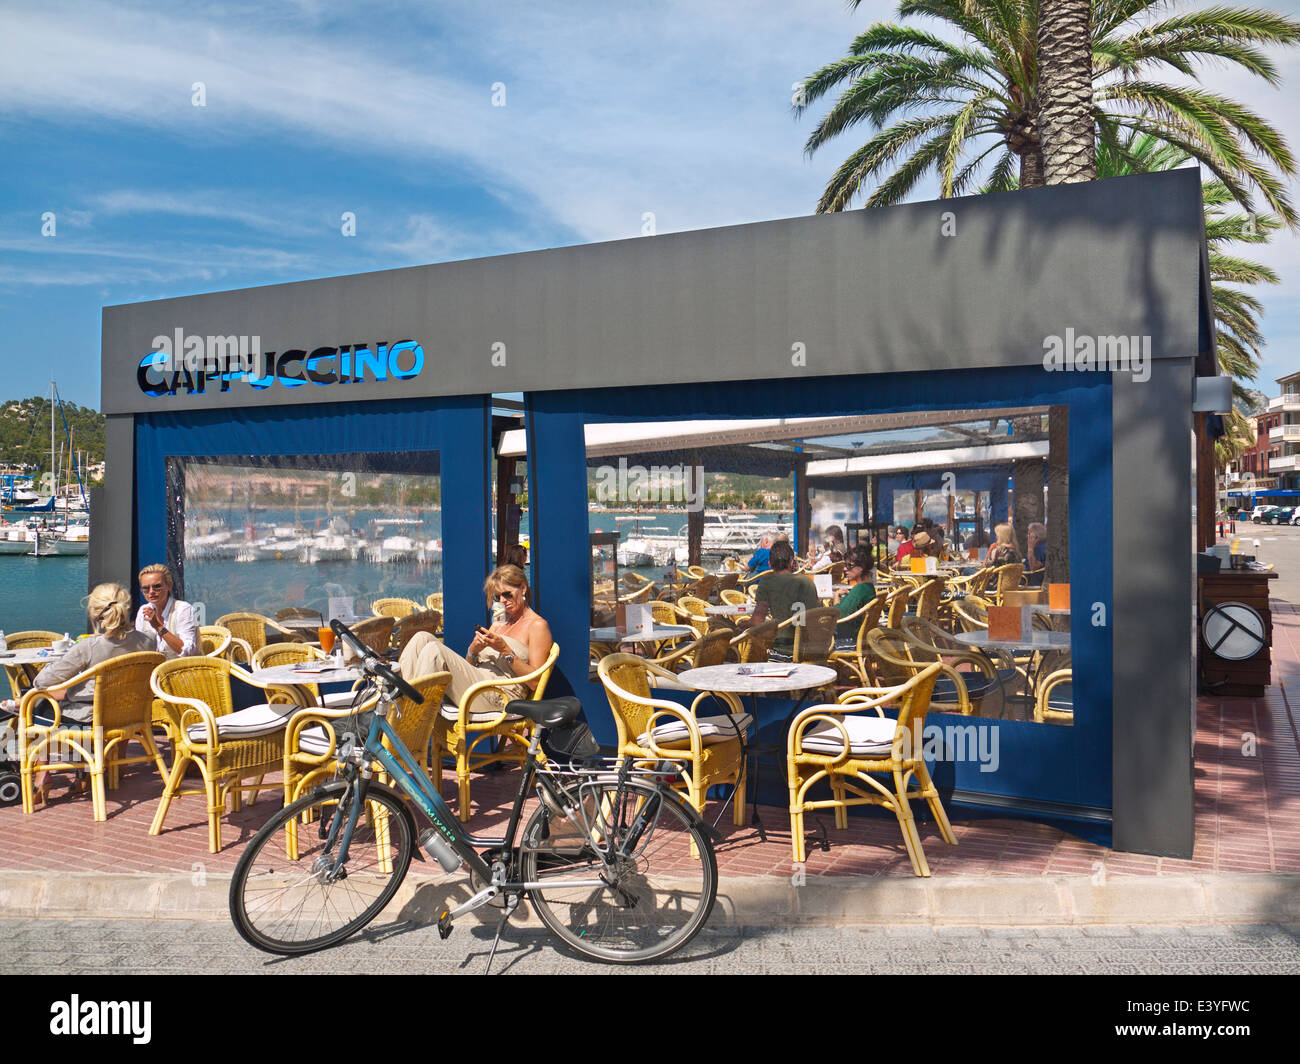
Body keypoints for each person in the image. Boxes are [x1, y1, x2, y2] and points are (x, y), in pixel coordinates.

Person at [0, 583, 156, 806]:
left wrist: (67, 689)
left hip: (92, 718)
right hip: (130, 714)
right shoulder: (147, 640)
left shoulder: (91, 646)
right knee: (50, 700)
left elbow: (41, 681)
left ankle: (42, 775)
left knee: (37, 704)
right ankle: (83, 775)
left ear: (94, 612)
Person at [418, 564, 553, 708]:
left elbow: (535, 682)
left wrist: (505, 650)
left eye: (507, 594)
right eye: (497, 596)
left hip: (500, 694)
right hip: (477, 685)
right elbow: (470, 665)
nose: (502, 601)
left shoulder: (537, 626)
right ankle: (407, 708)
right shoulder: (498, 624)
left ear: (523, 588)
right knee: (421, 638)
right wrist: (473, 650)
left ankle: (415, 712)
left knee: (435, 649)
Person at [742, 539, 818, 661]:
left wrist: (742, 624)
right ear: (792, 563)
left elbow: (757, 621)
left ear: (770, 564)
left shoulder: (766, 582)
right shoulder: (807, 581)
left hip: (783, 649)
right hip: (810, 647)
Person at [134, 563, 198, 658]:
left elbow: (188, 651)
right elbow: (139, 649)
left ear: (169, 585)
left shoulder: (183, 609)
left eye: (157, 587)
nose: (151, 592)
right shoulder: (143, 611)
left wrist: (159, 627)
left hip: (182, 669)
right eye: (146, 588)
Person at [833, 545, 876, 648]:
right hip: (859, 637)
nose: (844, 568)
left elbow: (838, 615)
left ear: (861, 567)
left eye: (849, 565)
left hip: (846, 640)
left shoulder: (860, 590)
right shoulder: (868, 588)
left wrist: (836, 597)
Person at [1025, 522, 1047, 586]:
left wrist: (1030, 548)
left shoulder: (1039, 549)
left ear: (1037, 537)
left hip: (1029, 580)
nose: (1027, 537)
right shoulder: (1040, 546)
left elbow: (1033, 567)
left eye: (1029, 534)